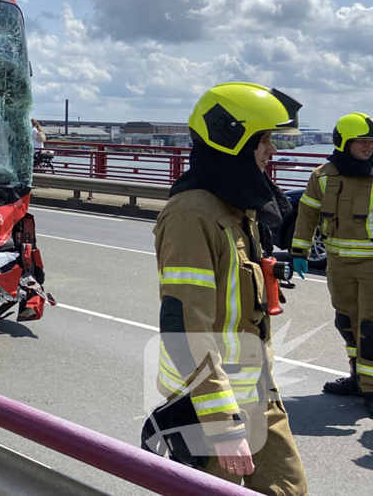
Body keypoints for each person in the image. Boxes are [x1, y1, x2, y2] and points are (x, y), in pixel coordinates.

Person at [144, 82, 307, 495]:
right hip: (213, 405)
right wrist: (222, 425)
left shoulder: (236, 206)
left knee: (289, 489)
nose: (272, 150)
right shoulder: (192, 215)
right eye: (264, 139)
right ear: (233, 139)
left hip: (256, 390)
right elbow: (185, 327)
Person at [291, 112, 373, 414]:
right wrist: (299, 252)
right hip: (337, 265)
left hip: (371, 265)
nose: (368, 147)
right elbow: (307, 214)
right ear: (343, 143)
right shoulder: (323, 176)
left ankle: (371, 388)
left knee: (371, 328)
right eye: (361, 142)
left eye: (371, 142)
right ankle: (358, 377)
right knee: (347, 323)